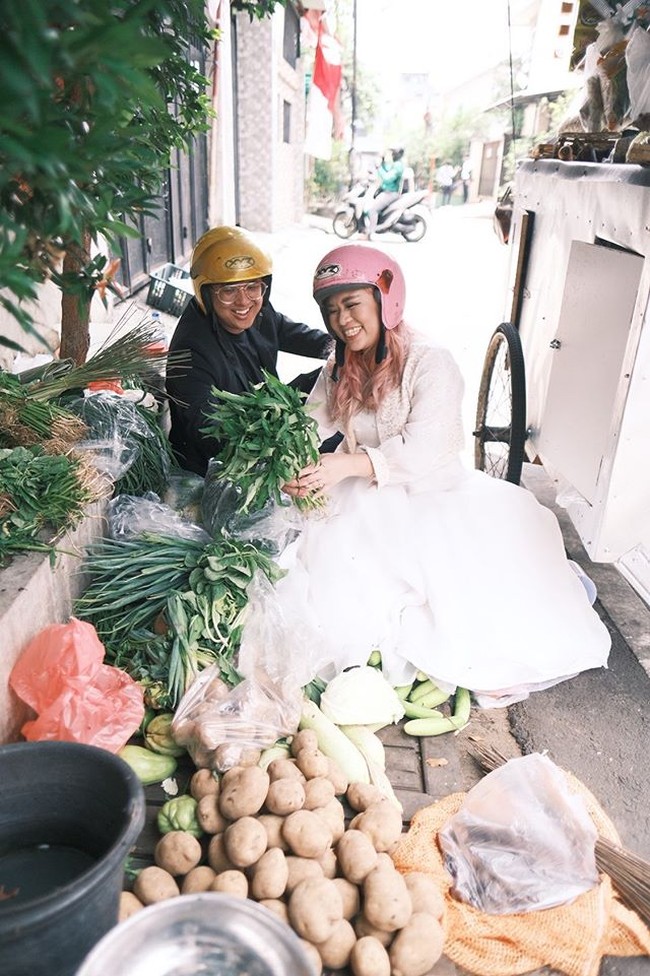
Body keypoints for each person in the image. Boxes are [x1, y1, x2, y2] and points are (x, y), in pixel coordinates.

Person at [252, 244, 611, 706]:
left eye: (353, 304)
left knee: (452, 612)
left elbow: (426, 448)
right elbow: (312, 421)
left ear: (386, 299)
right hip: (360, 493)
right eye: (331, 309)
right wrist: (293, 461)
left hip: (431, 494)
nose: (343, 320)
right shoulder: (339, 364)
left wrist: (346, 465)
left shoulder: (430, 360)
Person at [165, 226, 334, 477]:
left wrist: (341, 348)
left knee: (335, 371)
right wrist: (278, 449)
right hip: (220, 464)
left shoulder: (259, 308)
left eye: (252, 287)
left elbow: (293, 333)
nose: (243, 302)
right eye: (229, 291)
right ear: (207, 293)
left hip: (265, 415)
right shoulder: (189, 354)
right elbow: (207, 430)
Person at [363, 147, 405, 237]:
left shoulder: (398, 166)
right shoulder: (396, 164)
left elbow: (387, 178)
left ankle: (370, 234)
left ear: (398, 154)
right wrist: (381, 162)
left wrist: (379, 168)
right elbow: (386, 170)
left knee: (372, 210)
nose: (392, 155)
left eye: (394, 153)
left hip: (391, 193)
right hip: (386, 192)